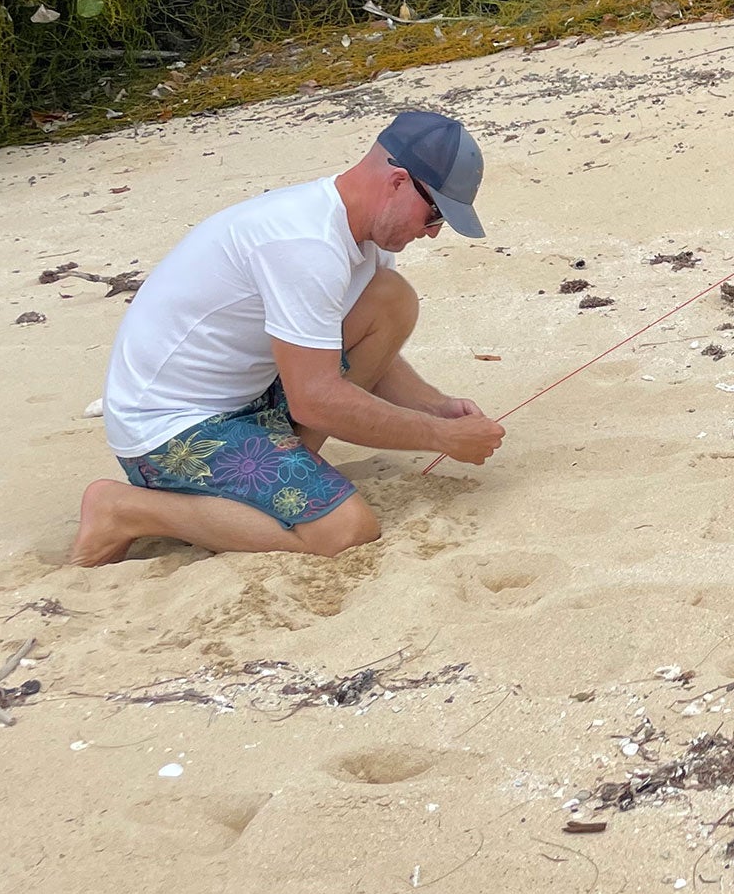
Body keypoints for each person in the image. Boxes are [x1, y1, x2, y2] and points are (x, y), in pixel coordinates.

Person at [71, 111, 506, 565]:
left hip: (247, 398)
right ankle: (121, 510)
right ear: (398, 182)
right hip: (169, 428)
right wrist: (440, 436)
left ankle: (284, 479)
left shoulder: (361, 237)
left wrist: (437, 408)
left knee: (390, 300)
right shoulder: (305, 244)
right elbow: (314, 400)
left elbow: (358, 355)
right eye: (435, 213)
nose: (432, 231)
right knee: (345, 530)